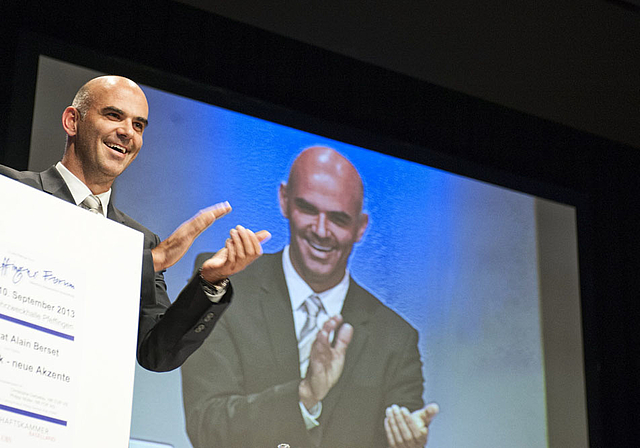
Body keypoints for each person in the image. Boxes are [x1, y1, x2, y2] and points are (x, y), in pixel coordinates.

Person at [0, 75, 270, 372]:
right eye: (114, 115)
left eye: (138, 125)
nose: (128, 132)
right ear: (72, 121)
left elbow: (157, 353)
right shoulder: (11, 190)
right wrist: (151, 261)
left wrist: (210, 281)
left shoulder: (140, 241)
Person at [182, 146, 438, 447]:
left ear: (360, 227)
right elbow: (206, 424)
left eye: (338, 219)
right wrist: (304, 395)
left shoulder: (396, 338)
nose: (320, 230)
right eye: (308, 209)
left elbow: (402, 433)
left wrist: (409, 443)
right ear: (284, 200)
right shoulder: (225, 284)